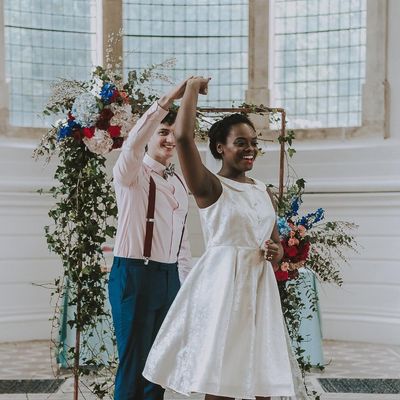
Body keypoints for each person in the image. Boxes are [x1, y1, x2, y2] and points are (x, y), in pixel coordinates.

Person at [143, 77, 309, 400]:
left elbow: (274, 249)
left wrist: (275, 251)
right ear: (220, 147)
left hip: (259, 293)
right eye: (241, 142)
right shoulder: (210, 187)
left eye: (253, 142)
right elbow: (183, 137)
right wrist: (190, 90)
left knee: (263, 383)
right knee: (221, 381)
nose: (250, 149)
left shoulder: (262, 191)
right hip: (223, 294)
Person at [109, 79, 192, 400]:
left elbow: (181, 245)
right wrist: (171, 98)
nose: (169, 139)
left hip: (169, 277)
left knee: (159, 367)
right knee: (133, 365)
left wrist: (183, 288)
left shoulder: (180, 184)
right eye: (162, 132)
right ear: (150, 136)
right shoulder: (131, 172)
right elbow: (132, 143)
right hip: (134, 273)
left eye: (174, 133)